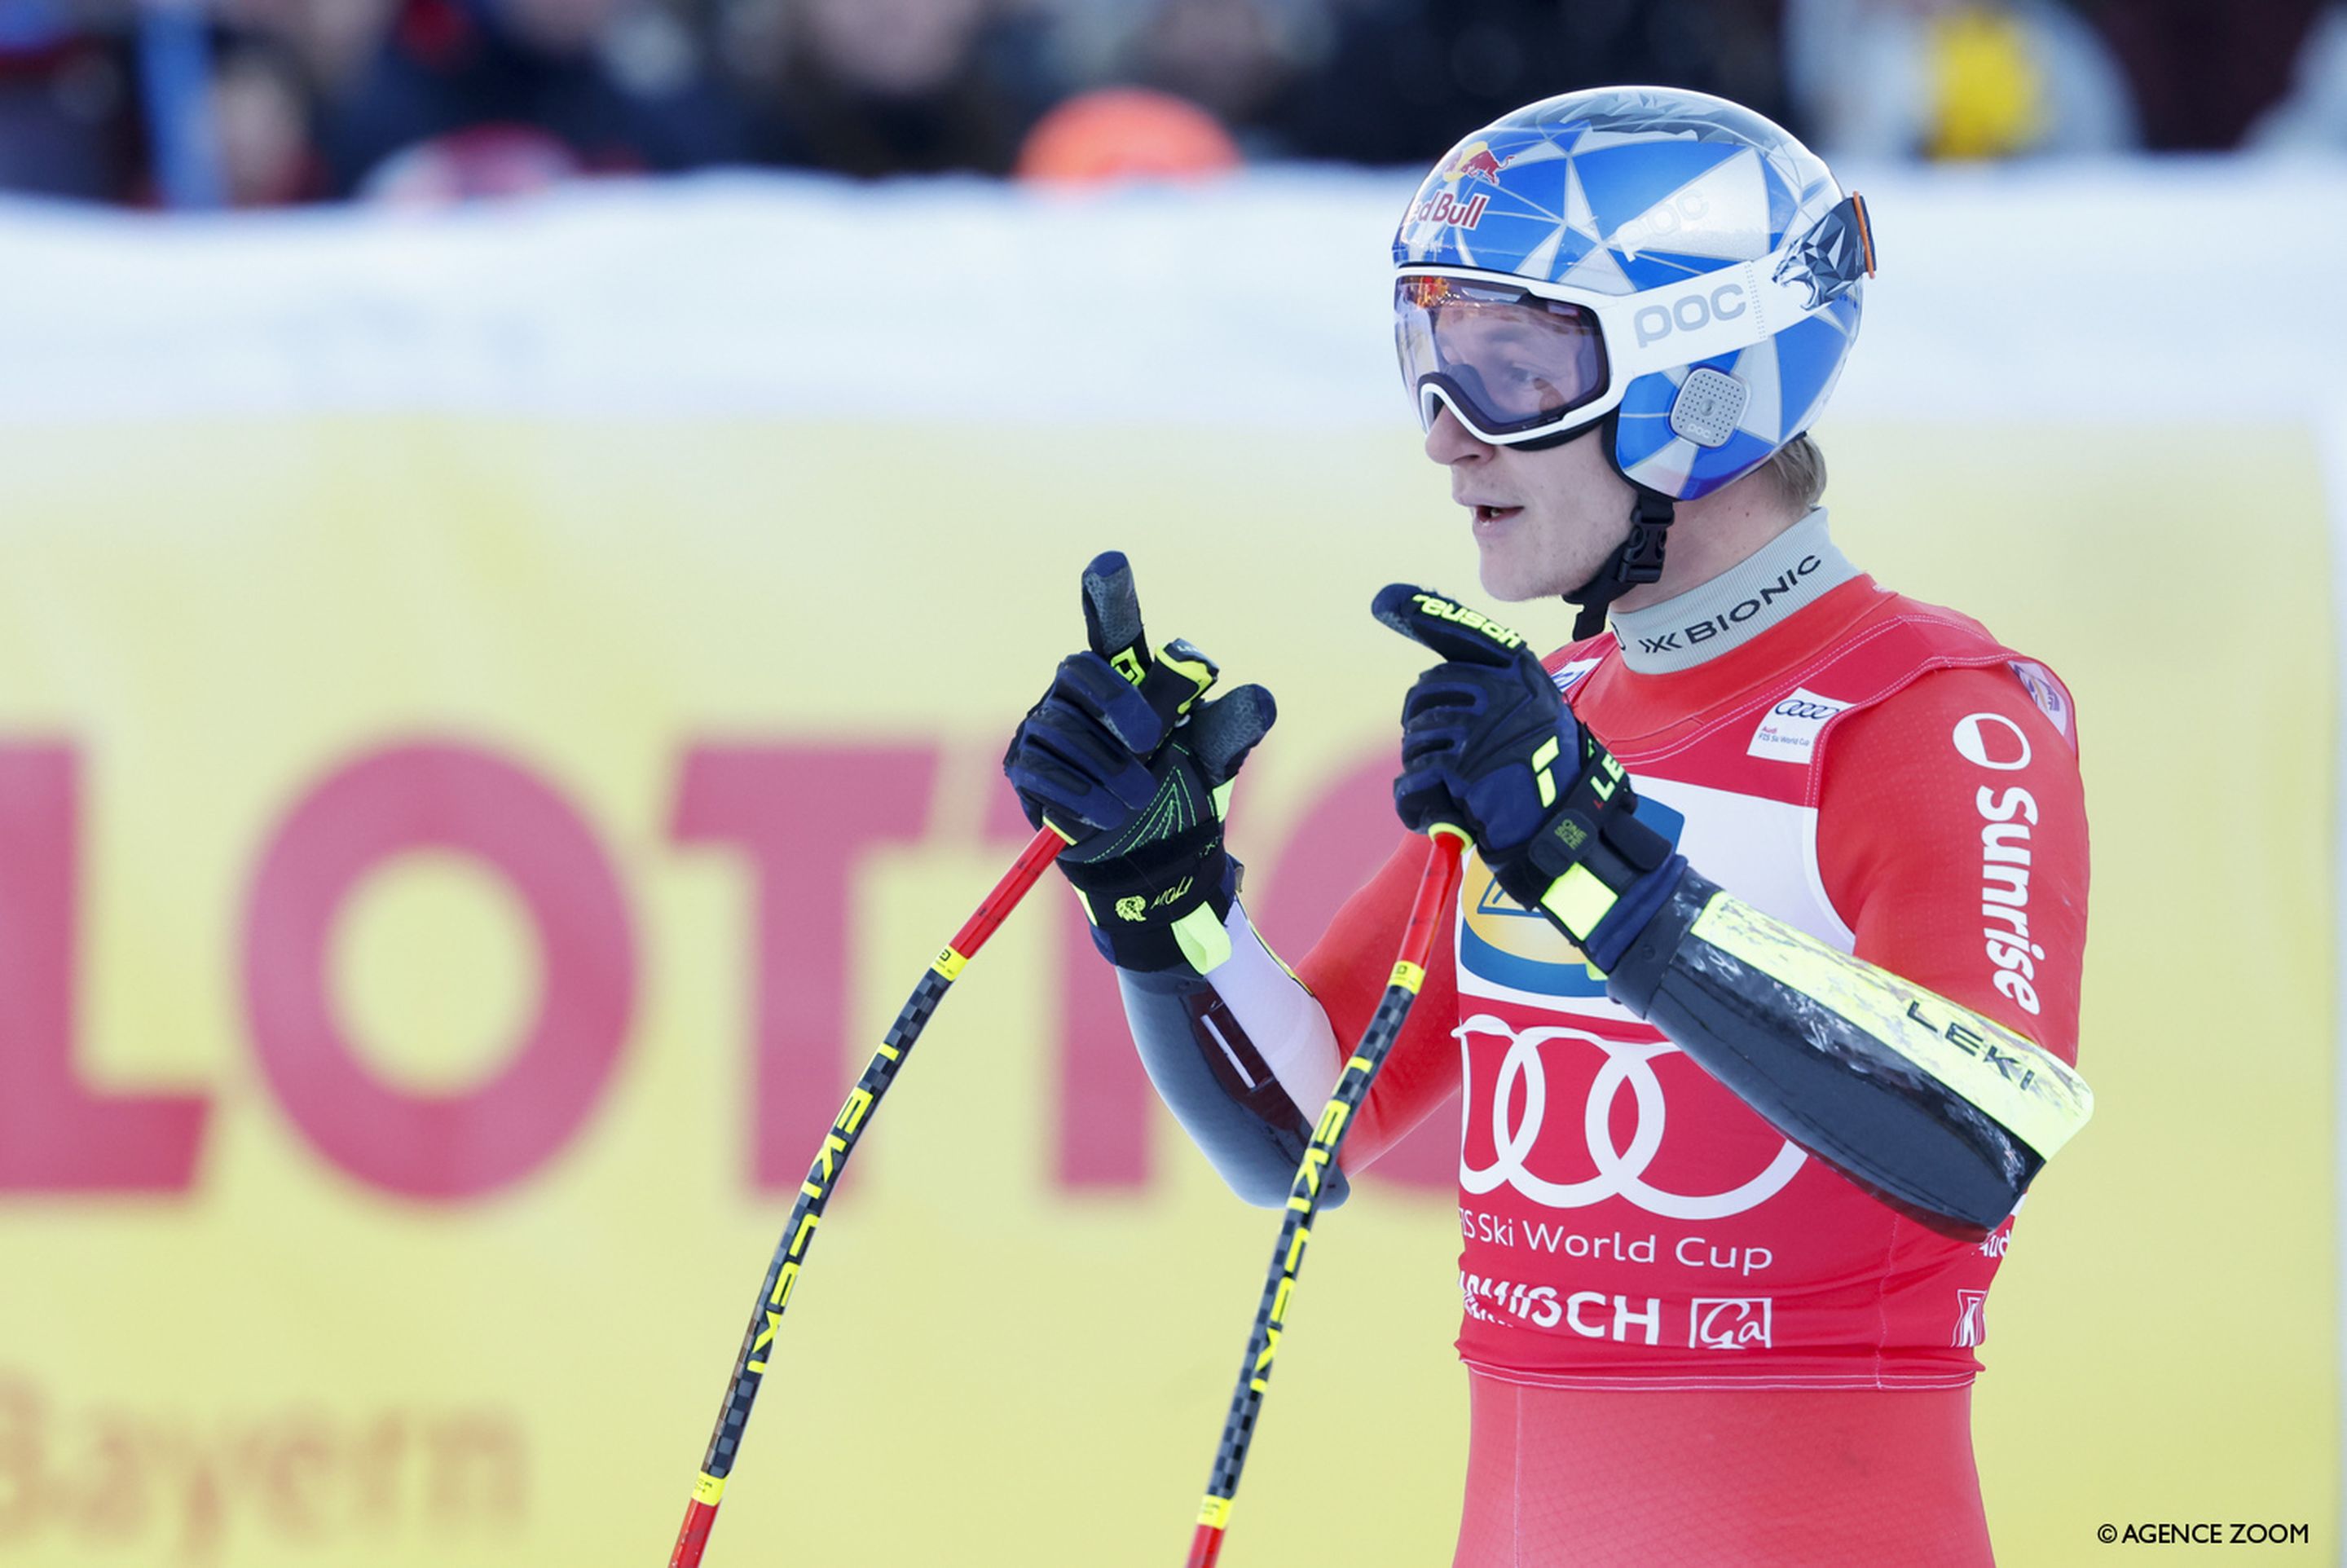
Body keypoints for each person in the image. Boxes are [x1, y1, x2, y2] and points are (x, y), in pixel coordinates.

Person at [1003, 86, 2094, 1566]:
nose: (1451, 442)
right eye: (1432, 368)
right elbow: (1302, 1131)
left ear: (1703, 383)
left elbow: (1980, 1145)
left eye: (1508, 372)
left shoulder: (1934, 712)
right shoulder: (1551, 718)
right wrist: (1160, 899)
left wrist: (1603, 877)